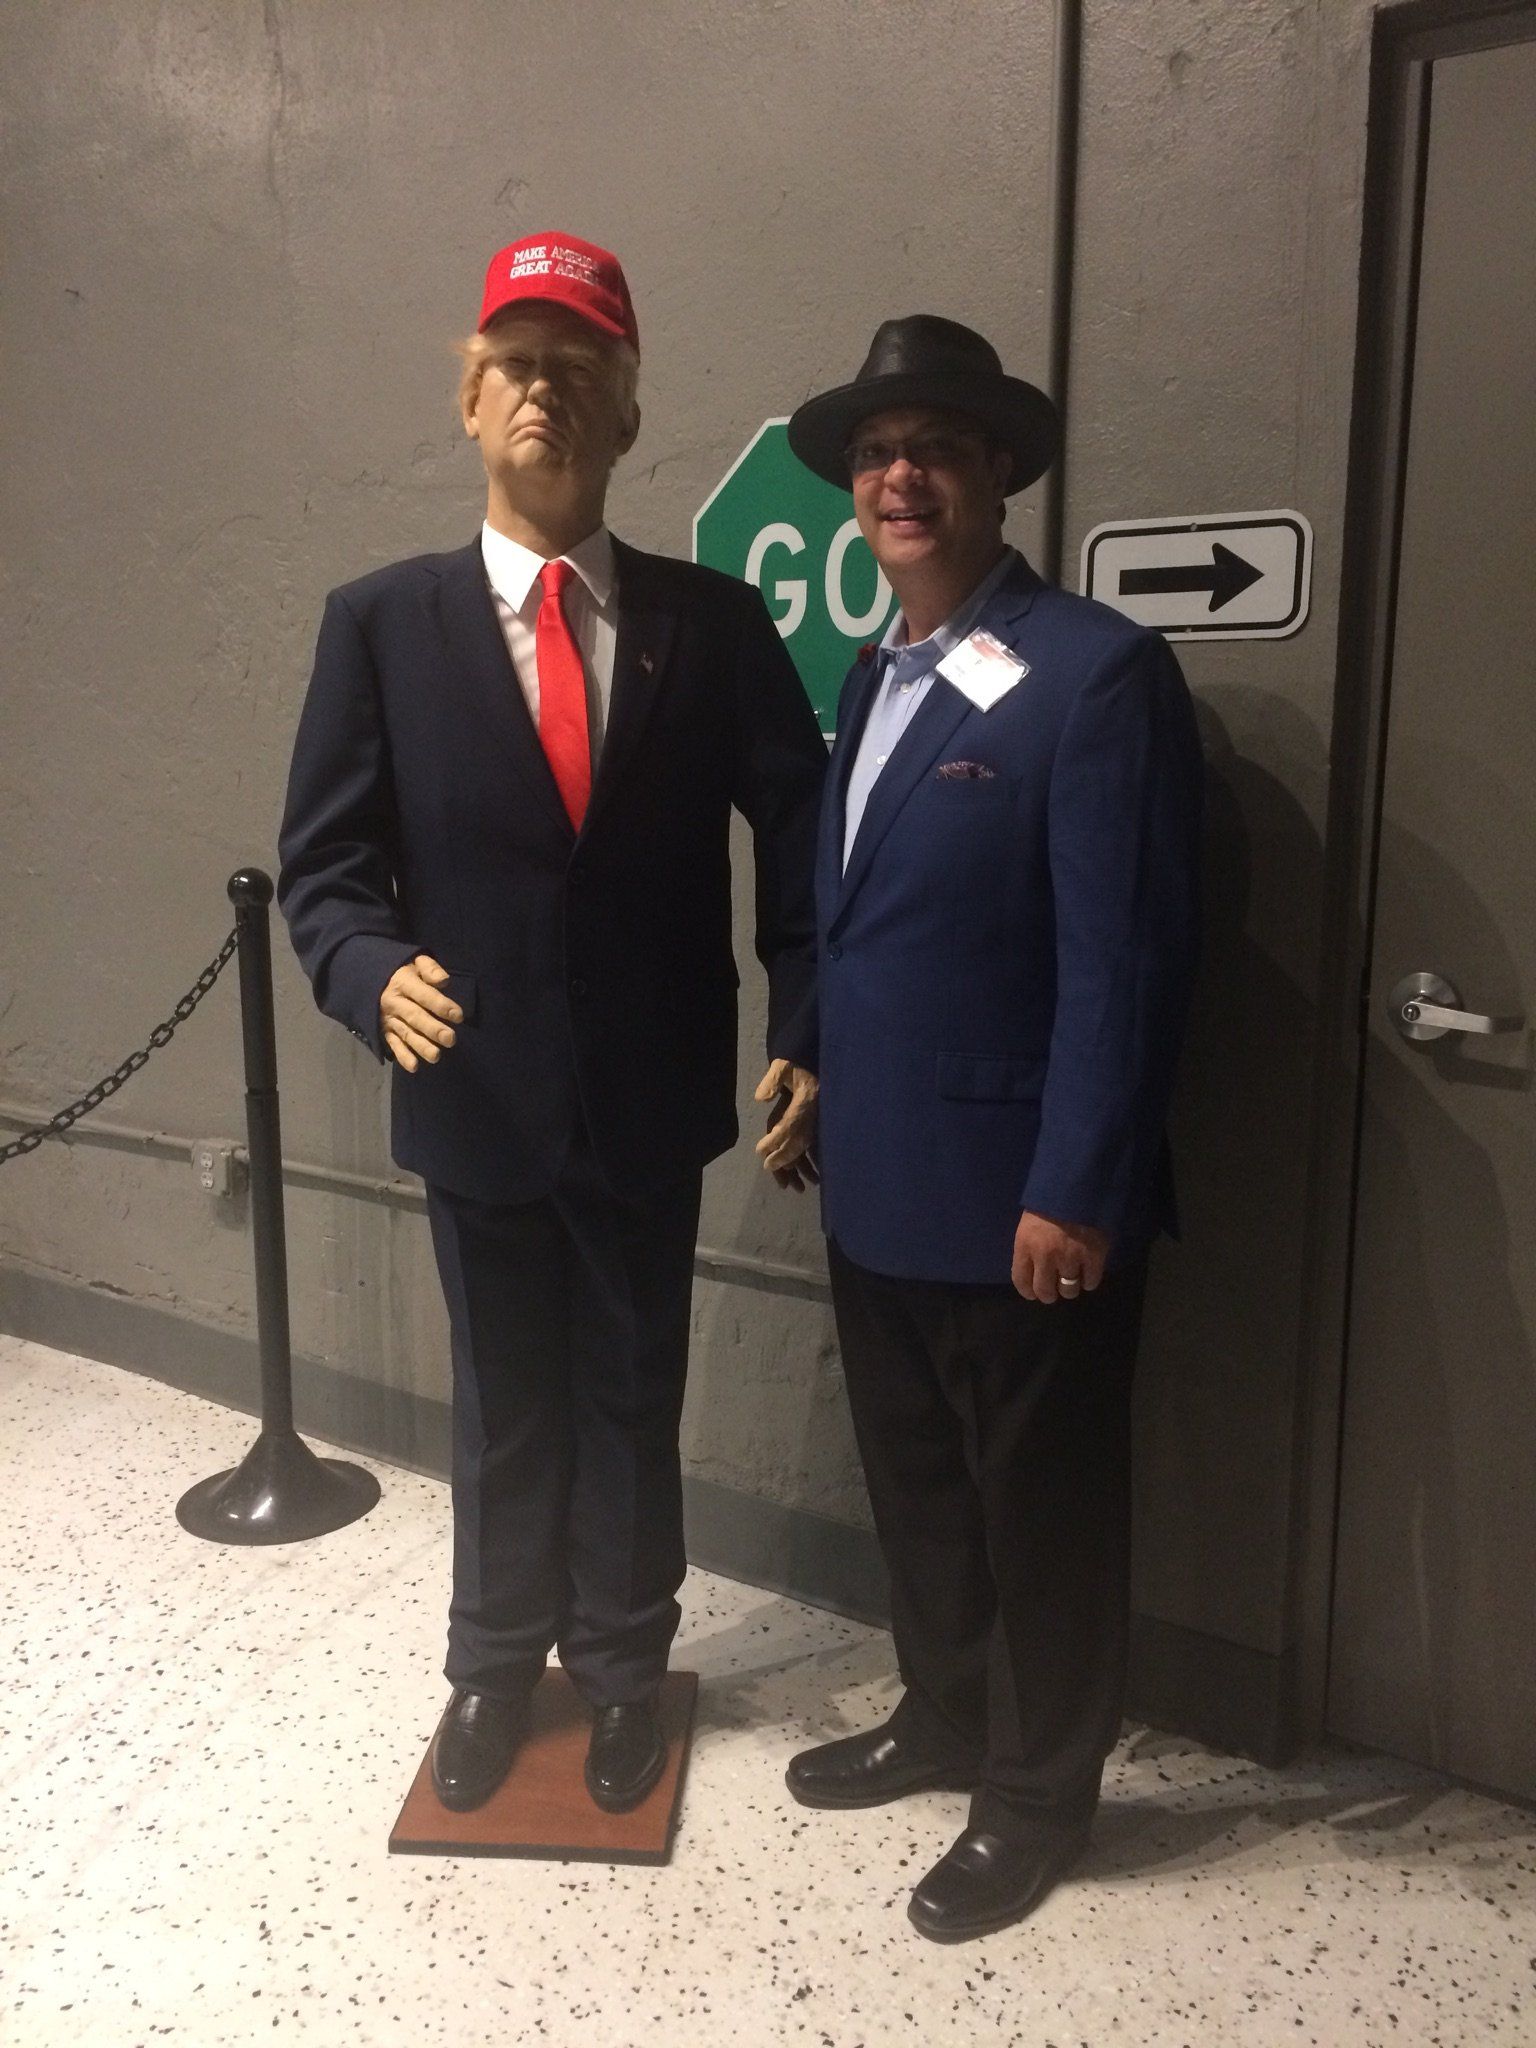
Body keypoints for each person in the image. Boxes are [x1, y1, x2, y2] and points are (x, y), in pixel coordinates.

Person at [278, 234, 825, 1816]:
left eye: (581, 368)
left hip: (649, 1095)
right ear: (469, 401)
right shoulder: (382, 626)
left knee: (630, 1391)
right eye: (518, 364)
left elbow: (797, 831)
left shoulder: (713, 630)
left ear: (626, 417)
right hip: (476, 1091)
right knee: (506, 1397)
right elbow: (322, 867)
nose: (547, 391)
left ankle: (624, 1656)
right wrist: (364, 965)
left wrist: (811, 1014)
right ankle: (491, 1663)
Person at [778, 315, 1202, 1939]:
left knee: (1042, 1513)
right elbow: (858, 917)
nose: (900, 477)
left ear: (999, 475)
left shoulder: (1096, 676)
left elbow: (1128, 961)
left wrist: (1079, 1187)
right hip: (876, 1181)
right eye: (878, 455)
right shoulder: (877, 671)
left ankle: (1034, 1798)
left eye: (936, 449)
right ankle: (946, 1717)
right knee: (924, 1491)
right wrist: (812, 1059)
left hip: (1027, 1202)